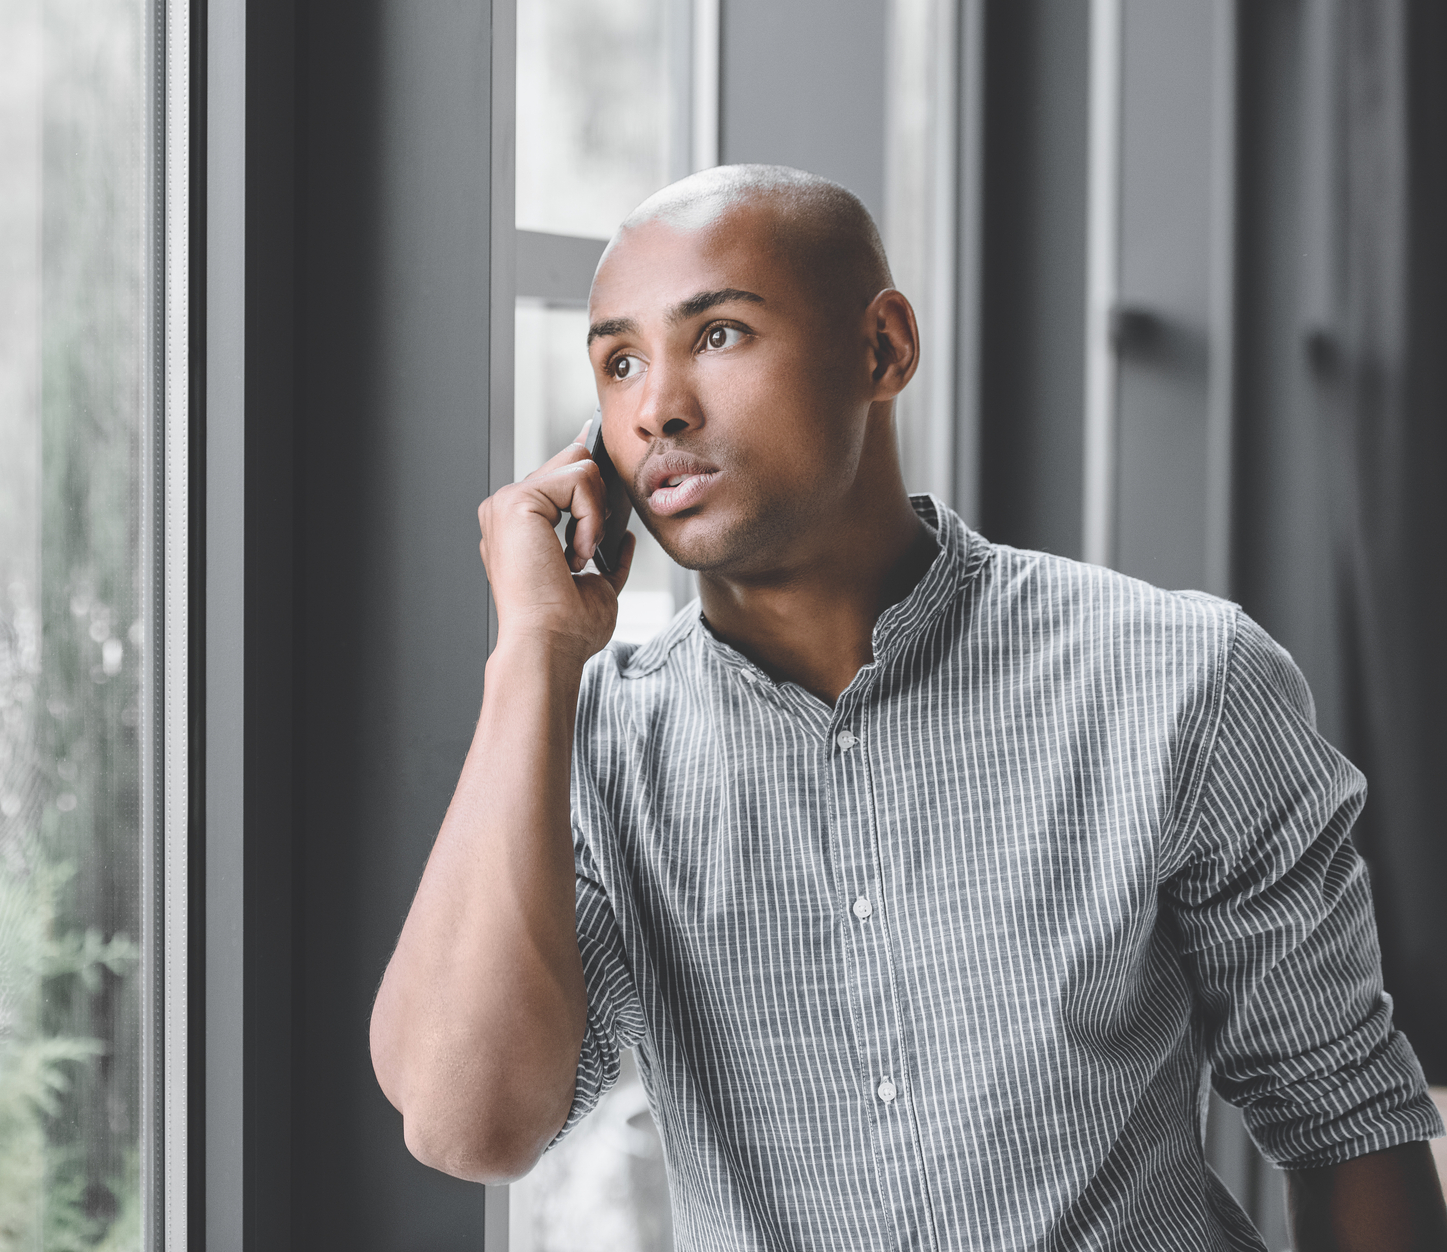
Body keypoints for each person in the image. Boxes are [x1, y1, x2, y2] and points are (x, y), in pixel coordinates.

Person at [368, 165, 1447, 1250]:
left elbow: (1342, 1118)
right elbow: (470, 1127)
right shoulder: (601, 746)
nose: (658, 407)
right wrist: (529, 658)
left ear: (882, 347)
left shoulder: (1179, 682)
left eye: (721, 335)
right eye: (618, 362)